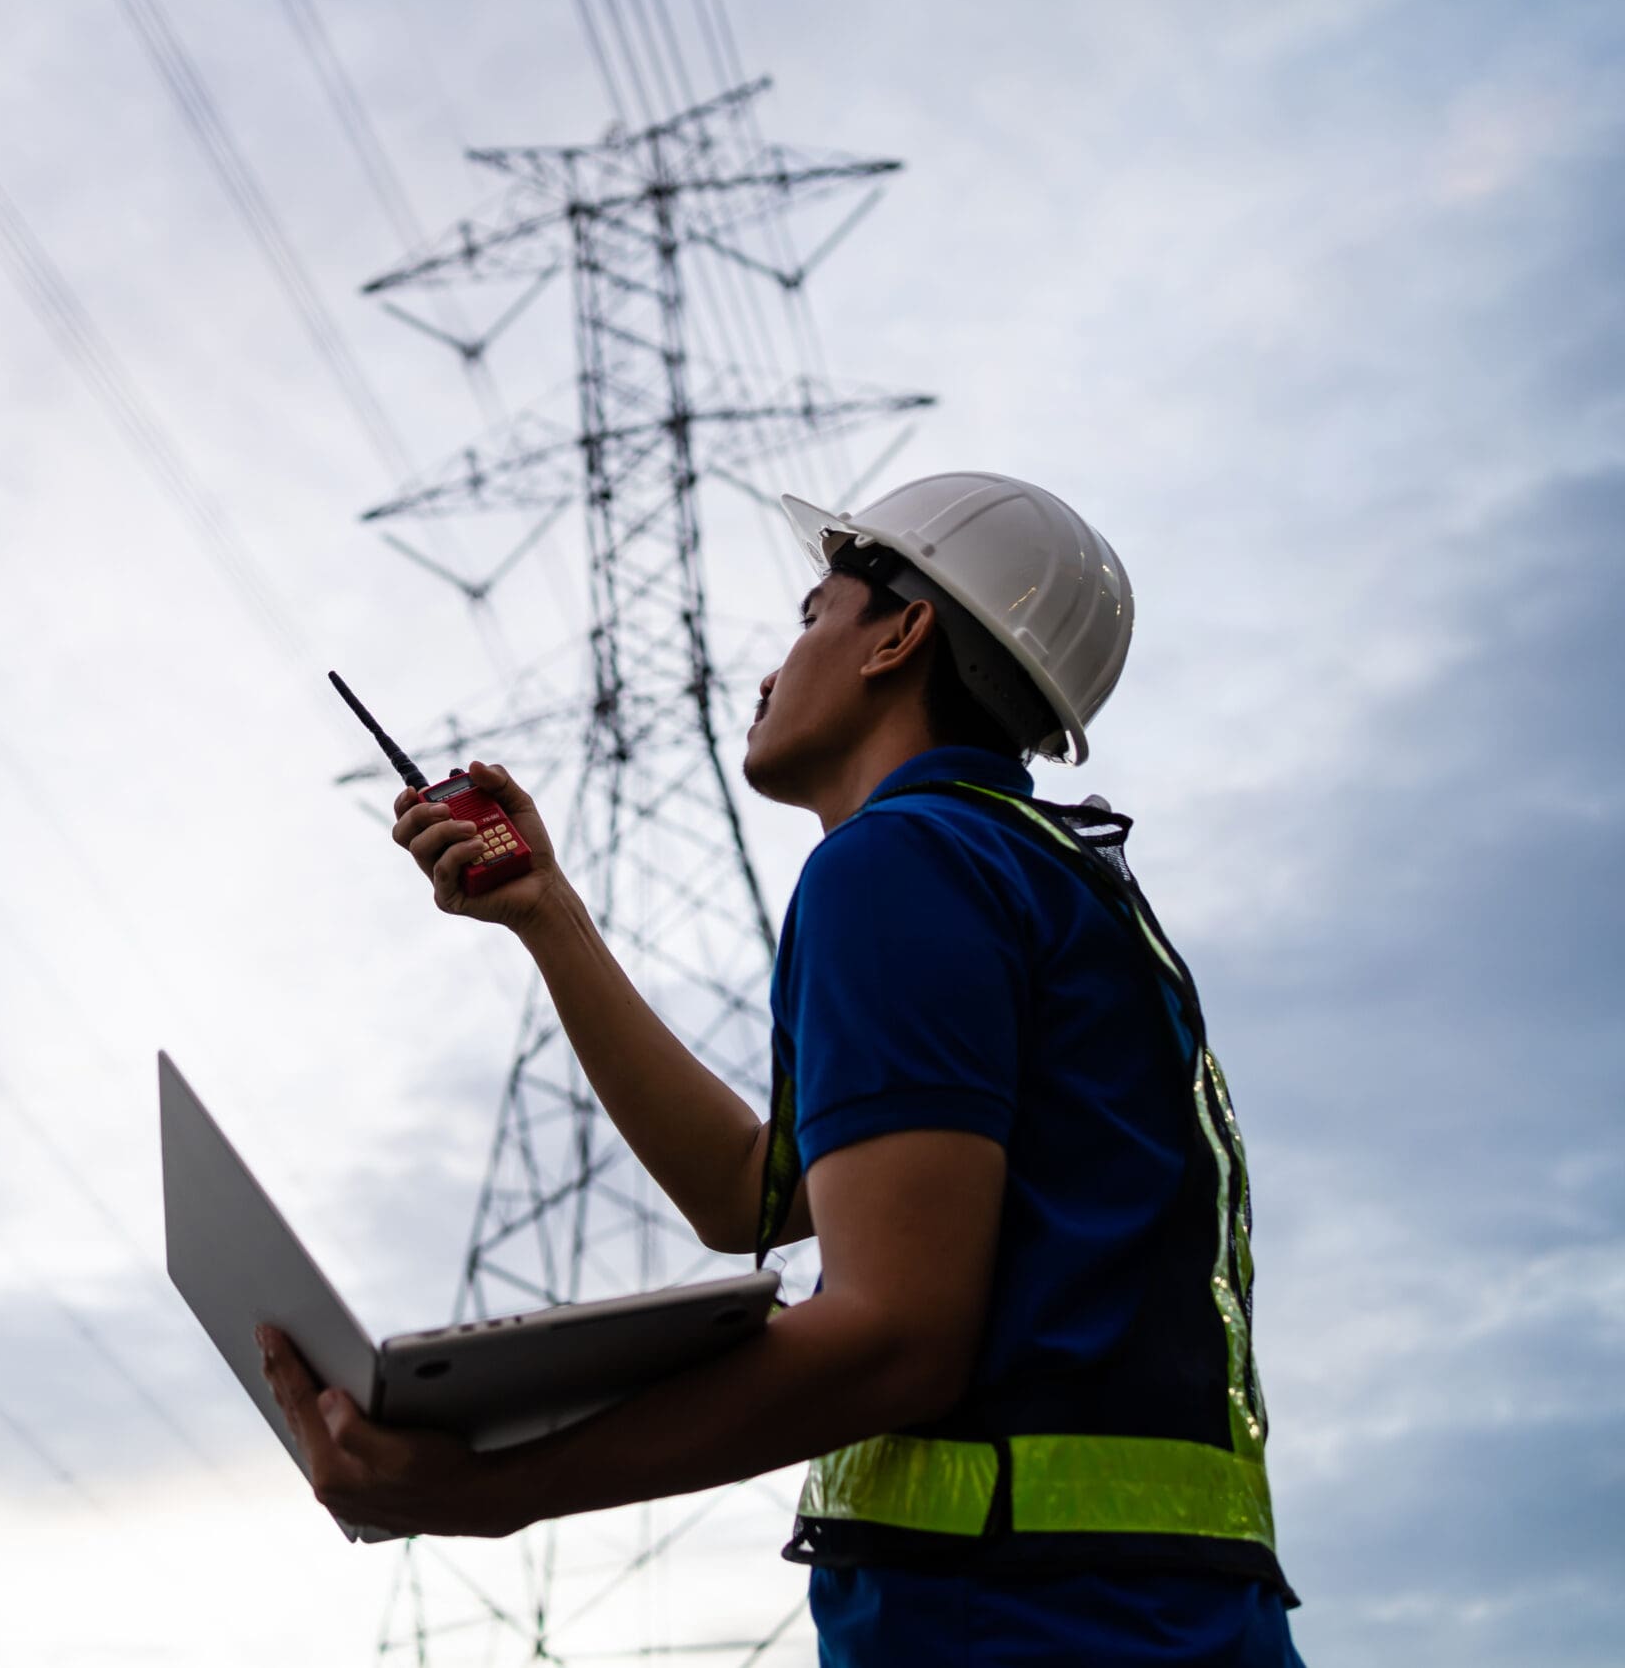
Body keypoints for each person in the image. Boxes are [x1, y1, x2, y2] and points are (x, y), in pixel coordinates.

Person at [258, 472, 1305, 1665]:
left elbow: (895, 1333)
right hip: (1150, 1620)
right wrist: (549, 917)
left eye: (811, 616)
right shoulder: (1038, 873)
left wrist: (500, 1487)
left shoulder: (901, 862)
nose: (767, 672)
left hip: (1020, 1625)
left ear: (901, 634)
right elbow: (751, 1197)